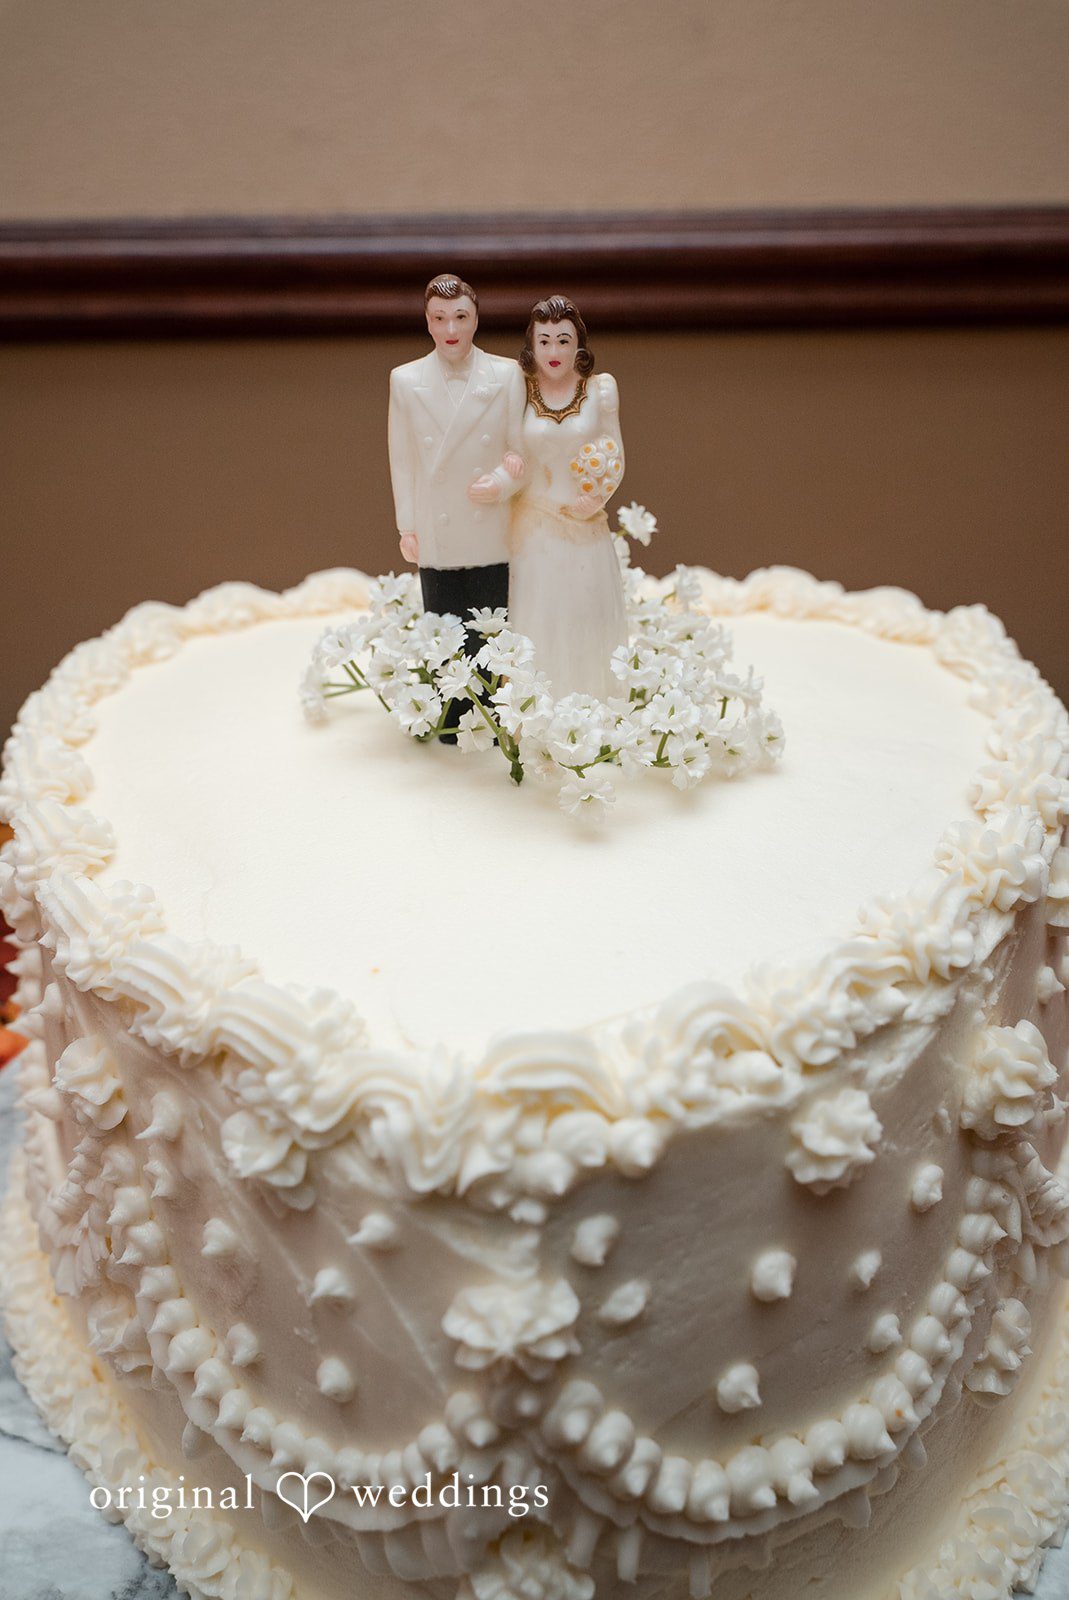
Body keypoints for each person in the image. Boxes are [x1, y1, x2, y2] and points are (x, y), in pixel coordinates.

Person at [388, 273, 526, 636]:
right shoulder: (404, 380)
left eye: (461, 317)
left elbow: (523, 453)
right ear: (428, 322)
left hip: (490, 526)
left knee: (490, 630)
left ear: (476, 319)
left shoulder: (507, 374)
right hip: (437, 526)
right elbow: (402, 462)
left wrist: (500, 482)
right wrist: (407, 527)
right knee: (444, 632)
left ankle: (492, 694)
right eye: (440, 318)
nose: (451, 328)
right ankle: (448, 696)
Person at [508, 295, 628, 701]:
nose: (553, 351)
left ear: (579, 344)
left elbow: (614, 449)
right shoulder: (518, 390)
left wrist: (598, 496)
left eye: (563, 340)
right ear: (531, 345)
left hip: (583, 523)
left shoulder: (600, 389)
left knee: (583, 611)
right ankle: (532, 708)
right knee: (539, 614)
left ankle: (590, 707)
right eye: (544, 341)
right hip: (532, 521)